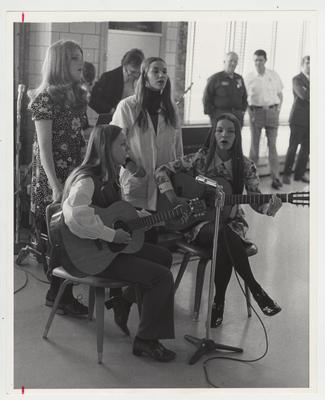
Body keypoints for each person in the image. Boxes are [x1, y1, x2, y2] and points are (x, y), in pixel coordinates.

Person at [155, 113, 282, 327]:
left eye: (230, 131)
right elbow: (161, 171)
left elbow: (255, 198)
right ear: (213, 134)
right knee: (223, 235)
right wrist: (173, 198)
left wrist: (270, 208)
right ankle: (255, 289)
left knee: (225, 237)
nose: (225, 134)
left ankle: (218, 301)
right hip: (199, 224)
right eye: (220, 130)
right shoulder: (200, 159)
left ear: (237, 136)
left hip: (232, 222)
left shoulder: (246, 166)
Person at [61, 124, 176, 362]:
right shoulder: (87, 180)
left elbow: (121, 214)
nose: (127, 149)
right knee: (161, 277)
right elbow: (74, 216)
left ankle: (123, 299)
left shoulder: (111, 178)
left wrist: (153, 219)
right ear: (106, 147)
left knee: (164, 258)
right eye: (122, 144)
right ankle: (146, 340)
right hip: (93, 256)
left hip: (110, 251)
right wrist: (110, 235)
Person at [28, 39, 89, 316]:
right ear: (61, 64)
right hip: (53, 179)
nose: (81, 63)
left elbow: (84, 135)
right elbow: (44, 149)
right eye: (75, 58)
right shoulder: (44, 99)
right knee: (58, 239)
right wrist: (55, 186)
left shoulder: (79, 96)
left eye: (81, 57)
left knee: (73, 238)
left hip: (76, 176)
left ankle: (60, 294)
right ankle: (58, 295)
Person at [111, 56, 183, 212]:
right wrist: (130, 165)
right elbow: (113, 142)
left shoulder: (171, 108)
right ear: (144, 76)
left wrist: (179, 174)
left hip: (166, 184)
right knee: (140, 229)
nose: (161, 75)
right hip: (138, 180)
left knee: (161, 228)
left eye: (164, 71)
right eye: (155, 71)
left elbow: (178, 146)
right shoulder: (127, 106)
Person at [245, 49, 284, 190]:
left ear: (265, 61)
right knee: (254, 148)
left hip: (272, 112)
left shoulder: (273, 75)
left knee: (272, 147)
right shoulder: (249, 77)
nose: (258, 63)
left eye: (260, 60)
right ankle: (251, 180)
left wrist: (277, 111)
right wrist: (251, 113)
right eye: (255, 60)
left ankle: (276, 178)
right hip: (256, 113)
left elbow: (280, 94)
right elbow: (245, 99)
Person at [89, 48, 145, 120]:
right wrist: (111, 110)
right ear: (125, 65)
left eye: (139, 72)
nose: (137, 75)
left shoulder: (142, 77)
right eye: (133, 72)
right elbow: (94, 100)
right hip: (113, 120)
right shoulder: (108, 77)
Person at [283, 56, 310, 184]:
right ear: (302, 65)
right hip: (298, 120)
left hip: (311, 121)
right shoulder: (297, 79)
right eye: (307, 63)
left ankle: (299, 175)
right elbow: (303, 95)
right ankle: (287, 174)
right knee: (293, 147)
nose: (310, 65)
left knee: (306, 149)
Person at [203, 51, 247, 127]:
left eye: (235, 61)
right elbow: (207, 98)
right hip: (220, 117)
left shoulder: (239, 79)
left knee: (236, 138)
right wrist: (213, 115)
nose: (233, 63)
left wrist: (242, 111)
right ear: (224, 62)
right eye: (231, 61)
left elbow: (244, 97)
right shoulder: (215, 78)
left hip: (237, 117)